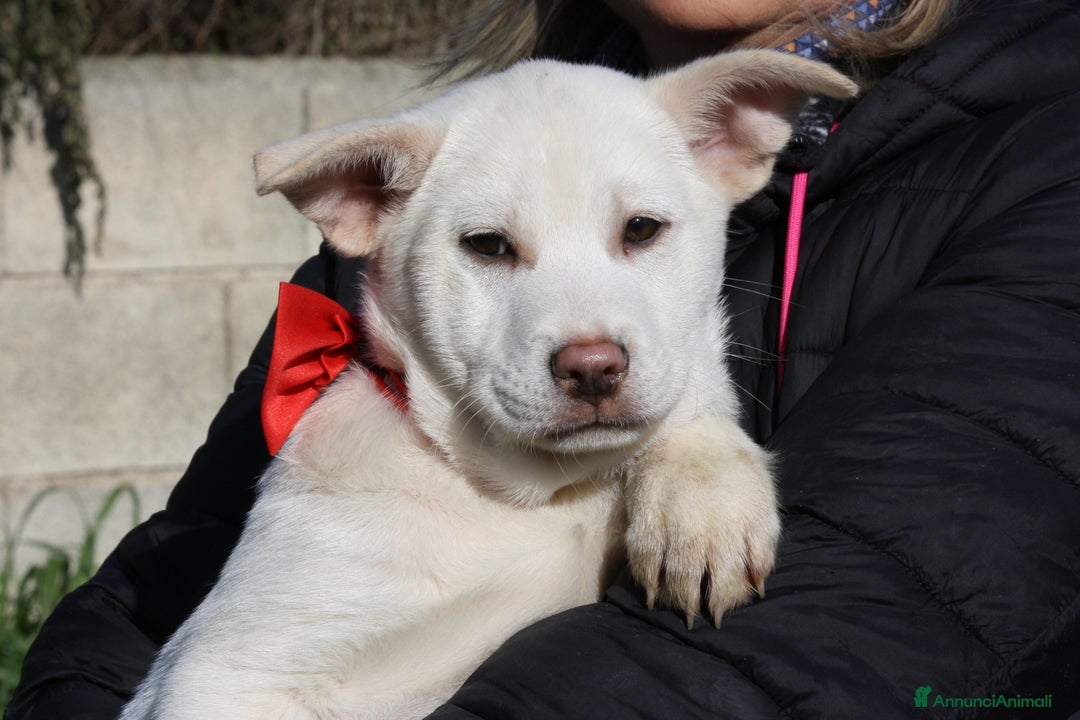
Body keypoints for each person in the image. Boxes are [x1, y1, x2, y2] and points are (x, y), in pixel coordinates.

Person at [7, 0, 1080, 717]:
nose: (587, 346)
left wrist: (694, 442)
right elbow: (156, 599)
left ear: (741, 140)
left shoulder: (1040, 152)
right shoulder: (427, 211)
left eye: (641, 233)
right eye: (491, 249)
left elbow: (852, 633)